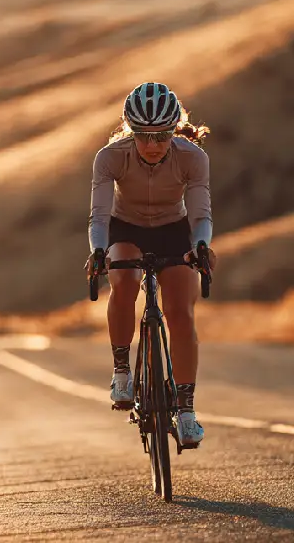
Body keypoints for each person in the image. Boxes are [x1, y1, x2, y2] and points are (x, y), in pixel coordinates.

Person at [85, 81, 216, 447]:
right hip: (126, 228)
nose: (153, 145)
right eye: (144, 135)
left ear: (174, 130)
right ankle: (123, 372)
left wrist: (201, 246)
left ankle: (186, 410)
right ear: (131, 130)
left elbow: (200, 215)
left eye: (162, 135)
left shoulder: (192, 157)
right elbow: (99, 217)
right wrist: (98, 250)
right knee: (123, 282)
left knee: (180, 312)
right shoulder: (110, 157)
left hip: (174, 230)